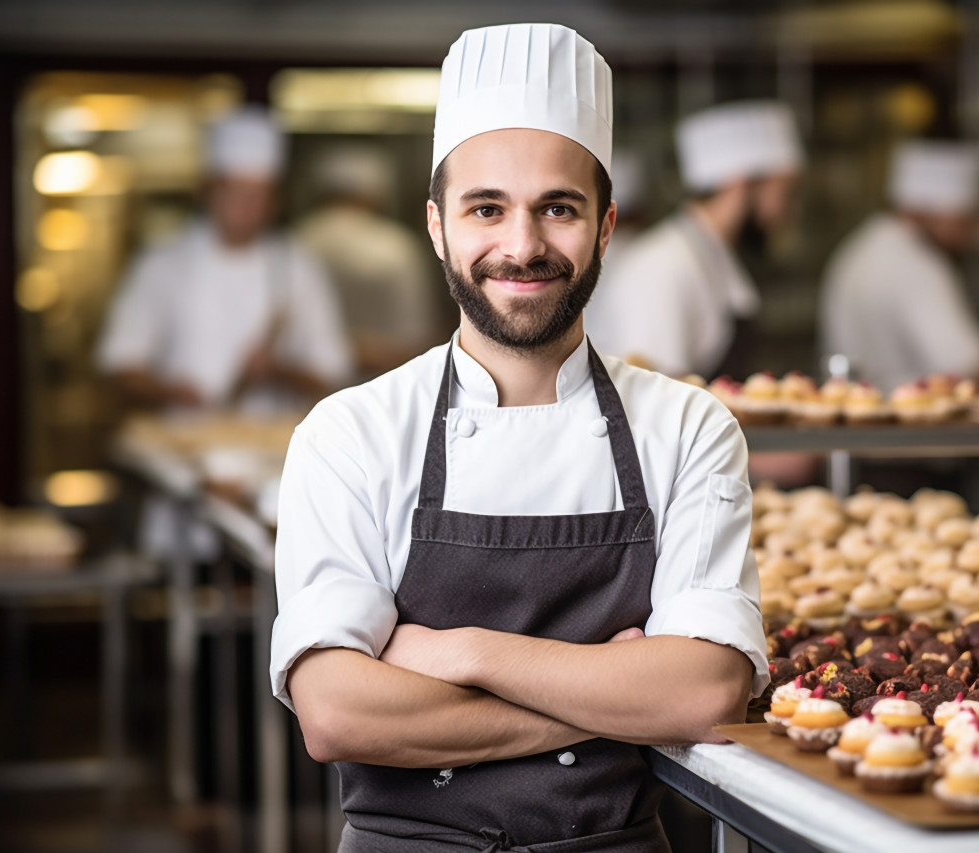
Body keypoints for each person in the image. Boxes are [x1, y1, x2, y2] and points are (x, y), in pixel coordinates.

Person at [270, 23, 765, 852]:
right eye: (486, 208)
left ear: (606, 225)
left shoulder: (689, 427)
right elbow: (335, 712)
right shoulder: (350, 433)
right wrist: (608, 699)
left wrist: (462, 652)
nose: (523, 245)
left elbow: (705, 693)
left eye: (558, 208)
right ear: (437, 227)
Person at [96, 106, 353, 412]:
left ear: (275, 201)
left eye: (259, 195)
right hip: (180, 447)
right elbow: (120, 363)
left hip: (274, 448)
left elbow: (334, 372)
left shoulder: (298, 267)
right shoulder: (162, 263)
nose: (247, 207)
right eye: (237, 193)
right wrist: (172, 392)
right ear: (209, 191)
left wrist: (277, 371)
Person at [586, 100, 803, 378]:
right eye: (786, 192)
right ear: (741, 184)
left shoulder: (708, 254)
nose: (787, 211)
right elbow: (652, 396)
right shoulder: (662, 268)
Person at [819, 139, 979, 392]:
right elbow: (970, 366)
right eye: (966, 220)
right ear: (935, 210)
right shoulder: (917, 264)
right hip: (911, 423)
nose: (972, 233)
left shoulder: (856, 249)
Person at [296, 144, 446, 378]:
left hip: (306, 388)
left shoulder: (297, 240)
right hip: (385, 386)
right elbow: (419, 340)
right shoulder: (398, 247)